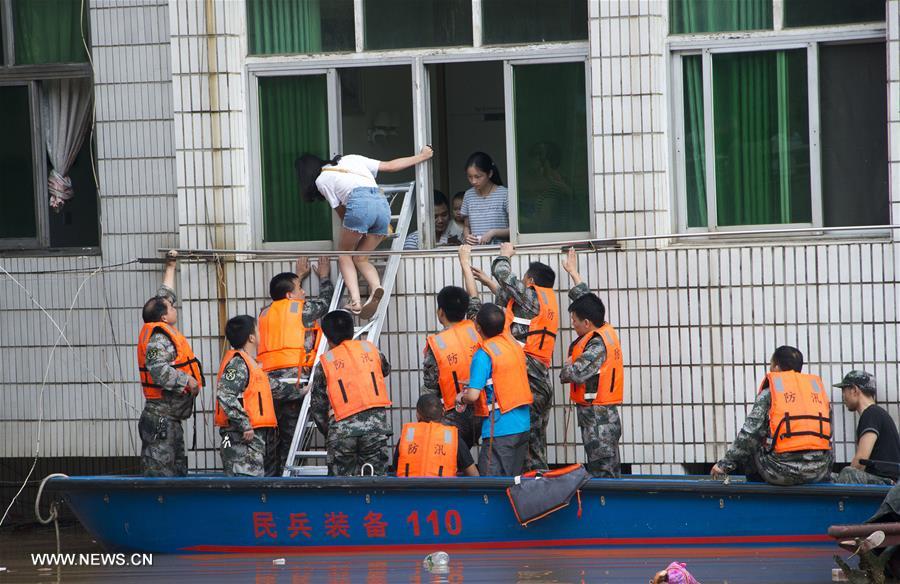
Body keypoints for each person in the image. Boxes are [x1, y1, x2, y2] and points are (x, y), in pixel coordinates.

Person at [296, 147, 433, 318]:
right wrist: (422, 156)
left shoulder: (321, 180)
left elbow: (342, 213)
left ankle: (355, 301)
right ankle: (376, 287)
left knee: (345, 254)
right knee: (361, 258)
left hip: (360, 206)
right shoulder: (351, 158)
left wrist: (357, 229)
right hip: (382, 206)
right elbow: (390, 166)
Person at [480, 242, 558, 472]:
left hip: (530, 380)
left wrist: (505, 254)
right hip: (541, 379)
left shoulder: (531, 296)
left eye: (524, 280)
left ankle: (538, 488)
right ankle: (538, 483)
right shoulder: (544, 302)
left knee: (531, 449)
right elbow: (512, 301)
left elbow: (502, 272)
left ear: (530, 281)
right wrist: (489, 284)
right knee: (536, 442)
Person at [711, 346, 833, 486]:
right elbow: (828, 433)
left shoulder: (770, 393)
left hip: (780, 473)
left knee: (753, 443)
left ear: (776, 367)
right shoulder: (817, 394)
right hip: (819, 472)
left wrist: (724, 465)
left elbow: (750, 434)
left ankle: (757, 493)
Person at [257, 256, 333, 476]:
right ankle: (288, 483)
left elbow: (284, 306)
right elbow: (325, 302)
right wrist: (324, 277)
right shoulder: (301, 310)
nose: (304, 292)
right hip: (294, 385)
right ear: (290, 294)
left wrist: (298, 277)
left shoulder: (264, 313)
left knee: (271, 443)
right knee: (292, 444)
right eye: (300, 288)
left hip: (269, 387)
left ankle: (270, 484)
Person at [136, 250, 203, 477]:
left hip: (170, 418)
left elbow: (164, 296)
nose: (175, 308)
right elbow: (158, 370)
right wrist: (188, 381)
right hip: (160, 418)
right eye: (172, 308)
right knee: (160, 475)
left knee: (177, 471)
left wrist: (171, 266)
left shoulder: (160, 324)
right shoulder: (158, 338)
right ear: (164, 317)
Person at [559, 248, 624, 478]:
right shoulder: (602, 326)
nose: (573, 324)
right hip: (600, 417)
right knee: (607, 469)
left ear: (586, 323)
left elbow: (573, 374)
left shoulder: (596, 345)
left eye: (574, 321)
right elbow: (588, 300)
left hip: (599, 422)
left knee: (604, 473)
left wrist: (567, 364)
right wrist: (573, 272)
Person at [308, 310, 393, 476]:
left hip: (341, 432)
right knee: (376, 480)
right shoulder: (371, 350)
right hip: (375, 429)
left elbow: (318, 407)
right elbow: (386, 369)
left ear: (328, 337)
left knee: (341, 484)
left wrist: (330, 431)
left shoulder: (325, 363)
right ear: (352, 331)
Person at [456, 303, 532, 476]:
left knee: (491, 483)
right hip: (522, 425)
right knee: (513, 482)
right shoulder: (512, 345)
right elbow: (501, 377)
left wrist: (461, 397)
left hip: (499, 429)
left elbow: (473, 396)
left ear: (477, 327)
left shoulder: (484, 354)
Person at [420, 245, 485, 447]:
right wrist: (465, 262)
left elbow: (430, 389)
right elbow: (474, 298)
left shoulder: (437, 344)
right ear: (466, 310)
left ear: (440, 312)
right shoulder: (477, 327)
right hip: (483, 409)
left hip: (454, 413)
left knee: (454, 458)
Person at [214, 315, 278, 477]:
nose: (260, 333)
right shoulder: (238, 363)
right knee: (245, 486)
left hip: (250, 441)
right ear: (251, 338)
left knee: (251, 484)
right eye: (257, 330)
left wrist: (300, 390)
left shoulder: (250, 363)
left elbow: (272, 387)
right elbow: (225, 393)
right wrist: (244, 423)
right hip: (241, 440)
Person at [833, 371, 900, 485]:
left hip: (886, 482)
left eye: (844, 390)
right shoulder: (876, 413)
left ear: (854, 390)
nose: (843, 396)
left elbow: (861, 461)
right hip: (889, 480)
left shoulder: (871, 414)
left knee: (846, 473)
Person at [391, 394, 479, 477]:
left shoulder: (407, 437)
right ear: (443, 412)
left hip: (409, 488)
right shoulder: (452, 438)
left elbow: (396, 469)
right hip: (443, 488)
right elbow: (473, 474)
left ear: (418, 414)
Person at [459, 152, 509, 245]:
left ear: (490, 173)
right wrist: (467, 236)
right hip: (476, 251)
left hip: (500, 249)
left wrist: (493, 232)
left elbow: (514, 229)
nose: (473, 181)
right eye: (470, 177)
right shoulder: (468, 195)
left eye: (477, 177)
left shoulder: (504, 194)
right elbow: (466, 226)